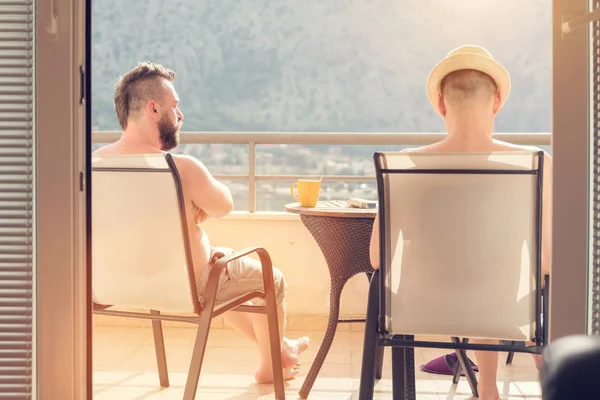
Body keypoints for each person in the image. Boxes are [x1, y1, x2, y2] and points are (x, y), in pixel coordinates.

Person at [93, 62, 309, 383]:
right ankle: (272, 362)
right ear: (153, 108)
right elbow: (223, 206)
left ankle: (281, 350)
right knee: (268, 279)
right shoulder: (182, 169)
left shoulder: (90, 166)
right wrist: (196, 206)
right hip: (185, 287)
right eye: (175, 106)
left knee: (219, 261)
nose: (180, 116)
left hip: (107, 286)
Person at [369, 45, 552, 400]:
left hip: (421, 309)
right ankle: (494, 389)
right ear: (498, 101)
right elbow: (546, 261)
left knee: (476, 272)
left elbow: (378, 258)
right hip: (503, 305)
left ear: (440, 103)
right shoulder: (534, 164)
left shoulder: (405, 165)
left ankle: (485, 388)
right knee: (501, 275)